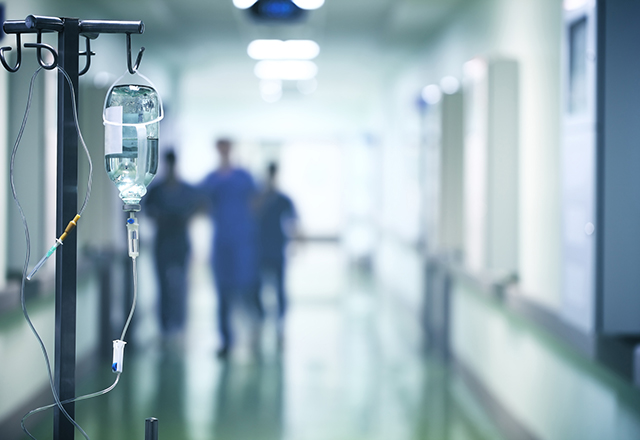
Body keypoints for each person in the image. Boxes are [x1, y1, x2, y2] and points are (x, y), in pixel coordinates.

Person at [198, 138, 262, 358]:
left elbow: (256, 202)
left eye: (227, 147)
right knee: (223, 295)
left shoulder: (244, 177)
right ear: (217, 149)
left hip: (243, 244)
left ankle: (254, 335)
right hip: (222, 245)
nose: (224, 151)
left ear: (231, 149)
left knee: (246, 291)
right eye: (220, 147)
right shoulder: (211, 179)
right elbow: (200, 203)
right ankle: (226, 341)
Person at [144, 150, 201, 341]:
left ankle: (179, 324)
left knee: (181, 285)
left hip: (180, 243)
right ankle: (165, 326)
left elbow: (198, 207)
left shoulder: (187, 190)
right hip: (162, 243)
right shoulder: (157, 190)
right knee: (163, 286)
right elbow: (148, 212)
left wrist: (181, 217)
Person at [255, 162, 298, 347]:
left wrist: (296, 243)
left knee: (279, 290)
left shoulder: (283, 199)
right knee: (258, 290)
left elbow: (293, 222)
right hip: (260, 252)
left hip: (277, 251)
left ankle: (279, 326)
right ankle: (261, 322)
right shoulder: (259, 198)